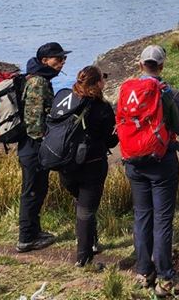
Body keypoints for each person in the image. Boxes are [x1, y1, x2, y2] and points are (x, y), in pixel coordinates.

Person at [120, 45, 179, 295]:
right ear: (161, 66)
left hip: (133, 162)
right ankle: (165, 277)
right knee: (162, 220)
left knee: (141, 216)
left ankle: (143, 271)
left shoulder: (127, 90)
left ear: (140, 65)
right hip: (161, 163)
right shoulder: (169, 93)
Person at [55, 65, 118, 269]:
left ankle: (91, 242)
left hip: (65, 165)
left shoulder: (66, 102)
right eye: (103, 78)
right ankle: (84, 259)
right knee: (86, 211)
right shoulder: (102, 108)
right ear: (98, 83)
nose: (105, 81)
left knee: (82, 205)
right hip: (92, 165)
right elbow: (109, 141)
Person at [18, 41, 68, 253]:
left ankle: (35, 232)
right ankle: (26, 239)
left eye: (64, 59)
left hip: (32, 145)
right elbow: (34, 120)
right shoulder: (38, 82)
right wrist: (45, 145)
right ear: (44, 61)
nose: (62, 63)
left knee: (39, 189)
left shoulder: (38, 78)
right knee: (31, 191)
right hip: (32, 146)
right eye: (58, 59)